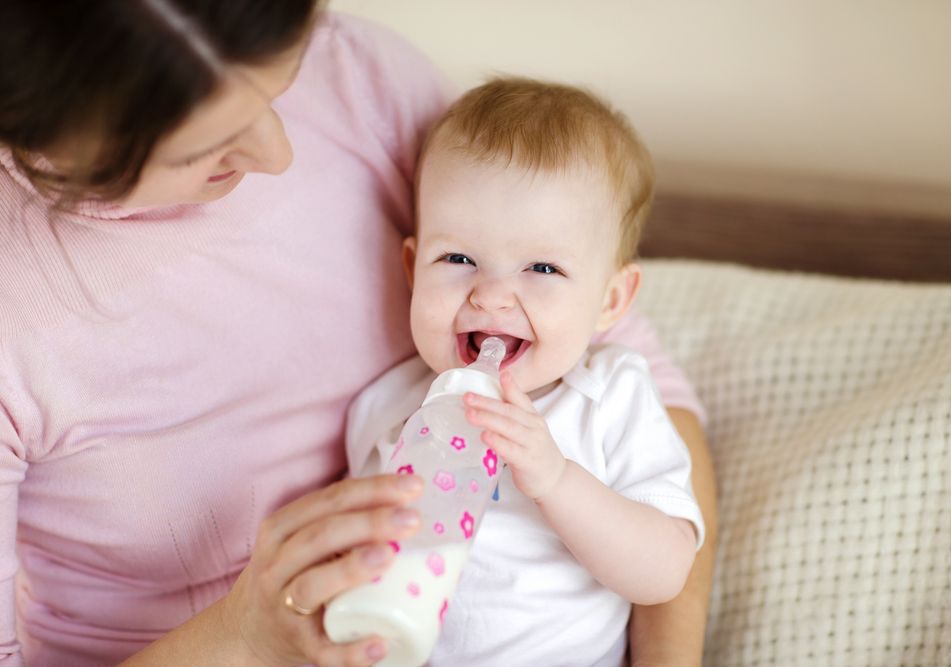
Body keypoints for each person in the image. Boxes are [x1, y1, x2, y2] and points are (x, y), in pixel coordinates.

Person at [0, 2, 717, 666]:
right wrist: (241, 635)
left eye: (281, 85)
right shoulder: (387, 409)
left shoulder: (361, 77)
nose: (280, 153)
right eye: (205, 145)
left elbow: (625, 357)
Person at [344, 77, 704, 667]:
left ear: (612, 299)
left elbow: (665, 570)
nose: (490, 297)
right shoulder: (386, 409)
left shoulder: (611, 396)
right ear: (412, 268)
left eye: (541, 267)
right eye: (457, 259)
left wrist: (557, 480)